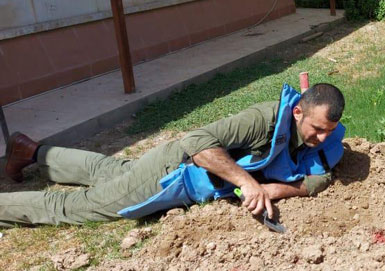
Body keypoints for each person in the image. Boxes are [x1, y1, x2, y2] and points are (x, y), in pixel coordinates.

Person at [1, 82, 346, 227]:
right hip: (171, 169)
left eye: (328, 131)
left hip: (169, 165)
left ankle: (30, 151)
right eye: (316, 129)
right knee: (75, 208)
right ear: (298, 112)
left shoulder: (320, 137)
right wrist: (247, 183)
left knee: (110, 170)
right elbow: (198, 142)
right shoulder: (263, 120)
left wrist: (275, 189)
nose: (321, 138)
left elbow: (319, 177)